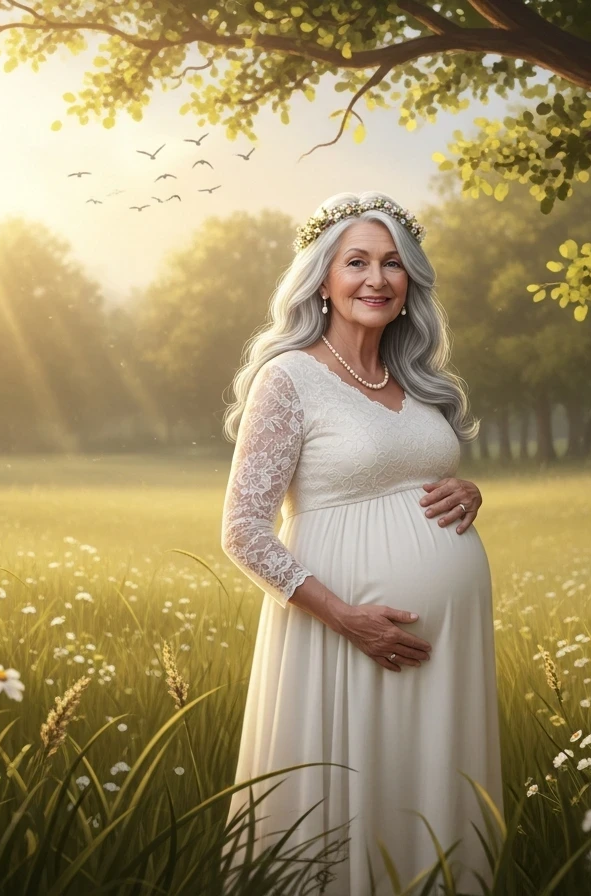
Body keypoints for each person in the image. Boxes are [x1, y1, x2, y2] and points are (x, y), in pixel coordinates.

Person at [218, 191, 503, 894]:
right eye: (357, 262)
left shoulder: (419, 384)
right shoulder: (289, 380)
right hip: (339, 636)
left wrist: (469, 492)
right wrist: (344, 615)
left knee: (429, 798)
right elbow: (243, 530)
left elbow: (426, 481)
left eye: (392, 264)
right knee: (345, 811)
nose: (377, 279)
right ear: (323, 278)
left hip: (445, 655)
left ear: (411, 283)